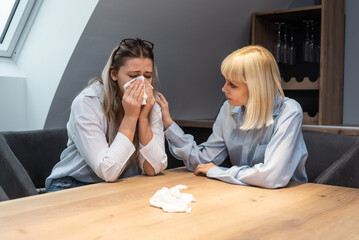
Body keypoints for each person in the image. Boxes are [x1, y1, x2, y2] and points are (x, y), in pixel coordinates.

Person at [156, 45, 308, 189]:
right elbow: (204, 162)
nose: (223, 89)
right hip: (246, 194)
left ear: (257, 88)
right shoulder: (228, 108)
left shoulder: (289, 111)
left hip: (288, 197)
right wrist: (168, 123)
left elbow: (271, 176)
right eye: (225, 81)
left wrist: (218, 172)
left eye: (232, 85)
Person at [46, 38, 167, 192]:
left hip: (119, 185)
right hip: (73, 184)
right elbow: (108, 171)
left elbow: (154, 168)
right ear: (114, 74)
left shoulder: (151, 104)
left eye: (147, 75)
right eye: (133, 76)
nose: (142, 83)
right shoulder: (87, 103)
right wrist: (130, 118)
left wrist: (143, 118)